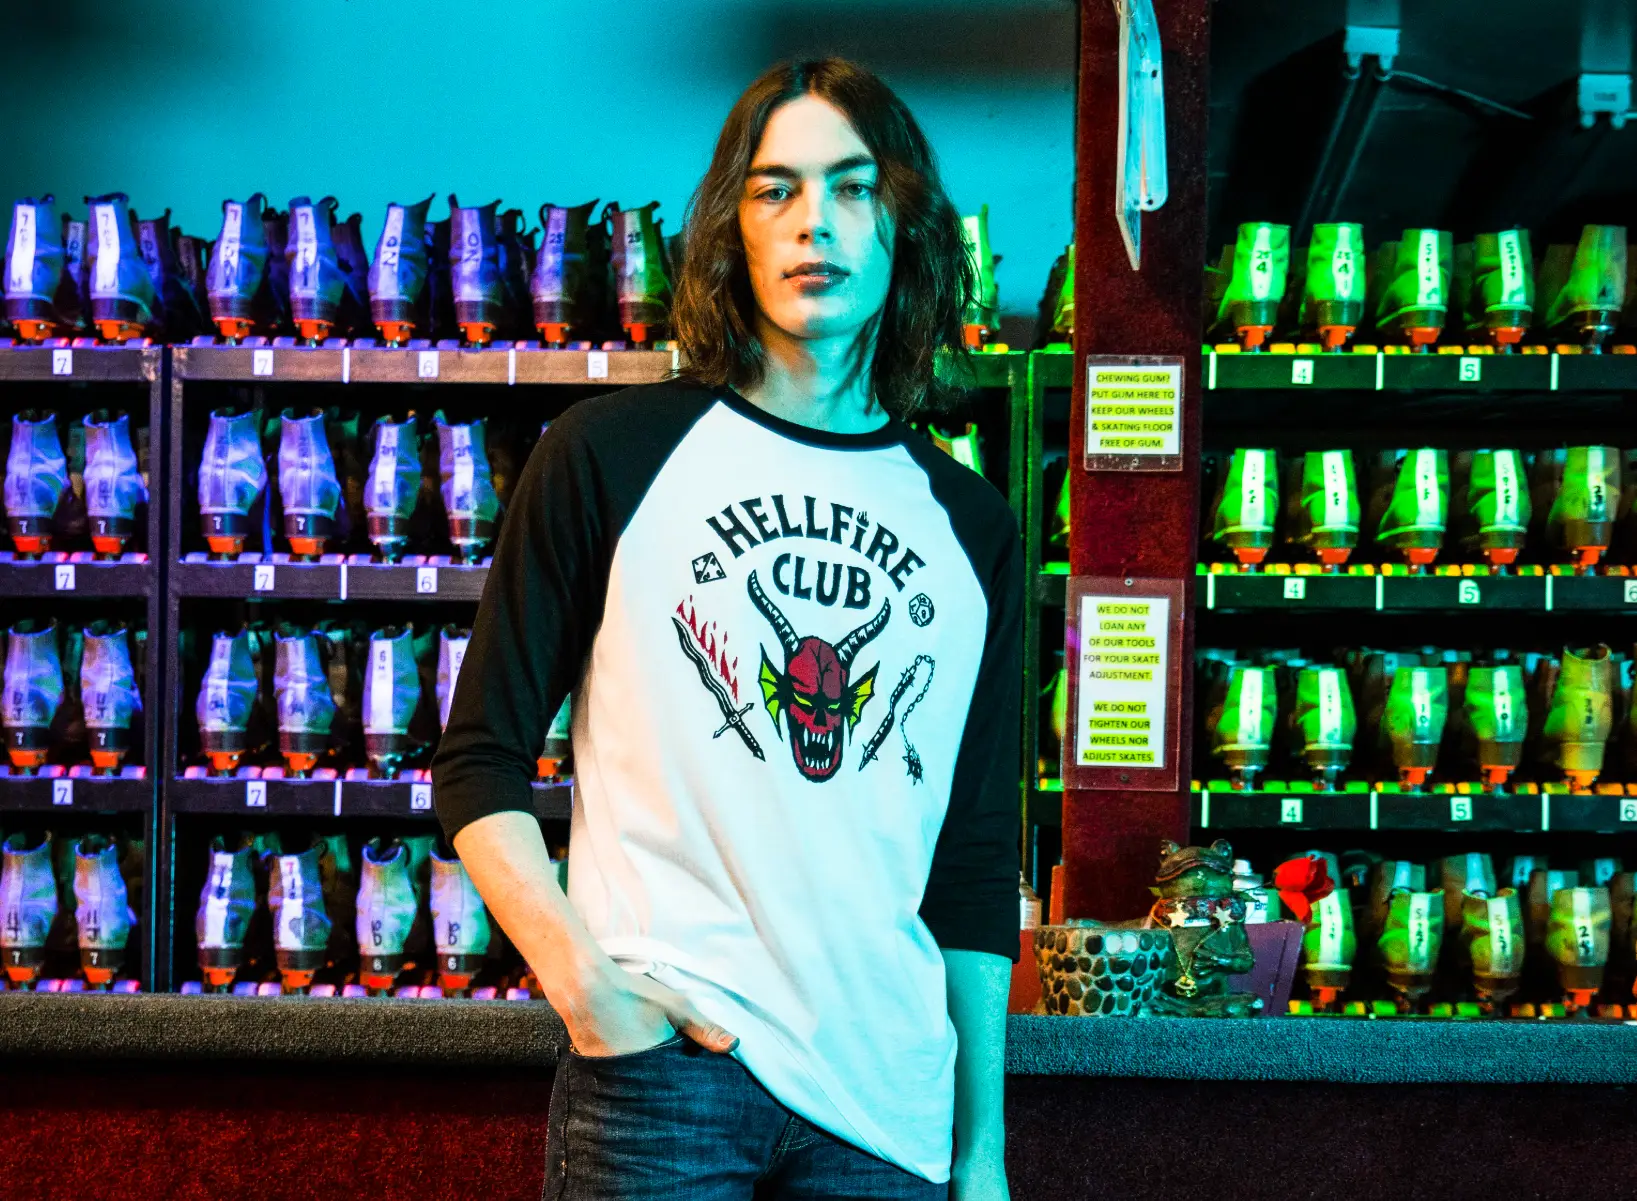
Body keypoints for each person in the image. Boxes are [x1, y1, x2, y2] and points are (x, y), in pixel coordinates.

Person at [431, 56, 1022, 1201]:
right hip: (665, 1088)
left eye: (852, 188)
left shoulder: (970, 523)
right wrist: (587, 990)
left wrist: (981, 1148)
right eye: (775, 191)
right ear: (730, 230)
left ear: (903, 226)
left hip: (886, 1108)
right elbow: (478, 762)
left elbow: (972, 857)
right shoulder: (607, 455)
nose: (815, 225)